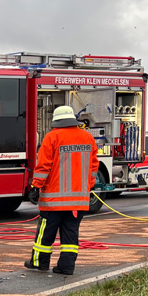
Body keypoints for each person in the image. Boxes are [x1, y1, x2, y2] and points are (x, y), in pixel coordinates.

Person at [24, 105, 99, 274]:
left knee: (45, 234)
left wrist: (36, 186)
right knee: (70, 235)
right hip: (78, 201)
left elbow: (44, 166)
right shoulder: (87, 138)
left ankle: (40, 262)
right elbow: (94, 166)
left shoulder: (52, 137)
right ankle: (66, 267)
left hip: (53, 201)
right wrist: (88, 186)